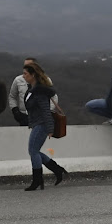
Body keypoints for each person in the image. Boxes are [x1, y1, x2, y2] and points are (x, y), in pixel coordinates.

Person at [22, 62, 68, 190]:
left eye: (25, 73)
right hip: (37, 123)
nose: (23, 76)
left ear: (32, 75)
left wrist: (49, 128)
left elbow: (45, 110)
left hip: (41, 124)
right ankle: (57, 170)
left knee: (33, 151)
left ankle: (37, 180)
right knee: (34, 151)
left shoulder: (40, 91)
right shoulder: (32, 89)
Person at [9, 57, 59, 126]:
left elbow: (53, 96)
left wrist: (49, 112)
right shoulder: (18, 80)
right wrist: (15, 110)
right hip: (24, 116)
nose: (27, 67)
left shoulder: (44, 80)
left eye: (29, 65)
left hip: (39, 117)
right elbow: (12, 96)